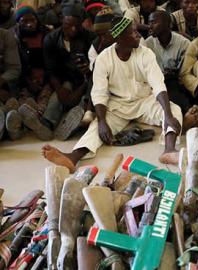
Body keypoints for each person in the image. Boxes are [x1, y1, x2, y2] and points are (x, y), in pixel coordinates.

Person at [42, 16, 184, 172]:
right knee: (97, 127)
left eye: (137, 32)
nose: (138, 35)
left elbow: (158, 84)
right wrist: (102, 120)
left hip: (145, 101)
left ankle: (169, 150)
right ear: (120, 38)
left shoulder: (146, 54)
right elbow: (99, 92)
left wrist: (168, 115)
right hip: (118, 105)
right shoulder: (103, 58)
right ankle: (73, 157)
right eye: (133, 33)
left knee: (174, 110)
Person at [18, 3, 96, 141]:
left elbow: (98, 70)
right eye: (68, 26)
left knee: (84, 99)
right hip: (65, 78)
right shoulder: (51, 39)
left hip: (87, 79)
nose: (73, 30)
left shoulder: (90, 37)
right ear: (61, 20)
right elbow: (51, 70)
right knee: (58, 96)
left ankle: (76, 121)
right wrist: (59, 90)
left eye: (77, 26)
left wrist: (84, 81)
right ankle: (47, 123)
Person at [146, 10, 198, 122]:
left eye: (153, 22)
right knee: (162, 88)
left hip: (179, 83)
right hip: (157, 85)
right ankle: (188, 111)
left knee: (172, 86)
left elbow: (186, 71)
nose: (149, 26)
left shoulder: (183, 43)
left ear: (168, 24)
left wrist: (173, 74)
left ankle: (186, 113)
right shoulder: (147, 44)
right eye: (149, 23)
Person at [8, 5, 51, 140]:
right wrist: (28, 82)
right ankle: (24, 122)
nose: (30, 24)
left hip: (45, 78)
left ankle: (33, 118)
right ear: (18, 22)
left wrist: (44, 80)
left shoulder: (47, 34)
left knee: (45, 98)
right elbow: (15, 65)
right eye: (24, 21)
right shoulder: (12, 36)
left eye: (32, 20)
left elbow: (52, 63)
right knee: (23, 98)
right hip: (24, 79)